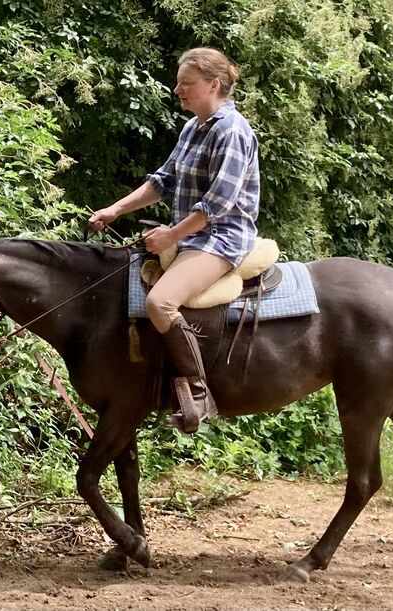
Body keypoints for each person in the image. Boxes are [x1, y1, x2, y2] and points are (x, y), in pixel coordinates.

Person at [89, 47, 260, 433]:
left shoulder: (232, 131)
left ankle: (200, 393)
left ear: (214, 84)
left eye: (187, 83)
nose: (177, 89)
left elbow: (217, 204)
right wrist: (115, 210)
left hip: (221, 239)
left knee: (160, 302)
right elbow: (162, 181)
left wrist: (171, 234)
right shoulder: (193, 127)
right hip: (189, 235)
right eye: (179, 82)